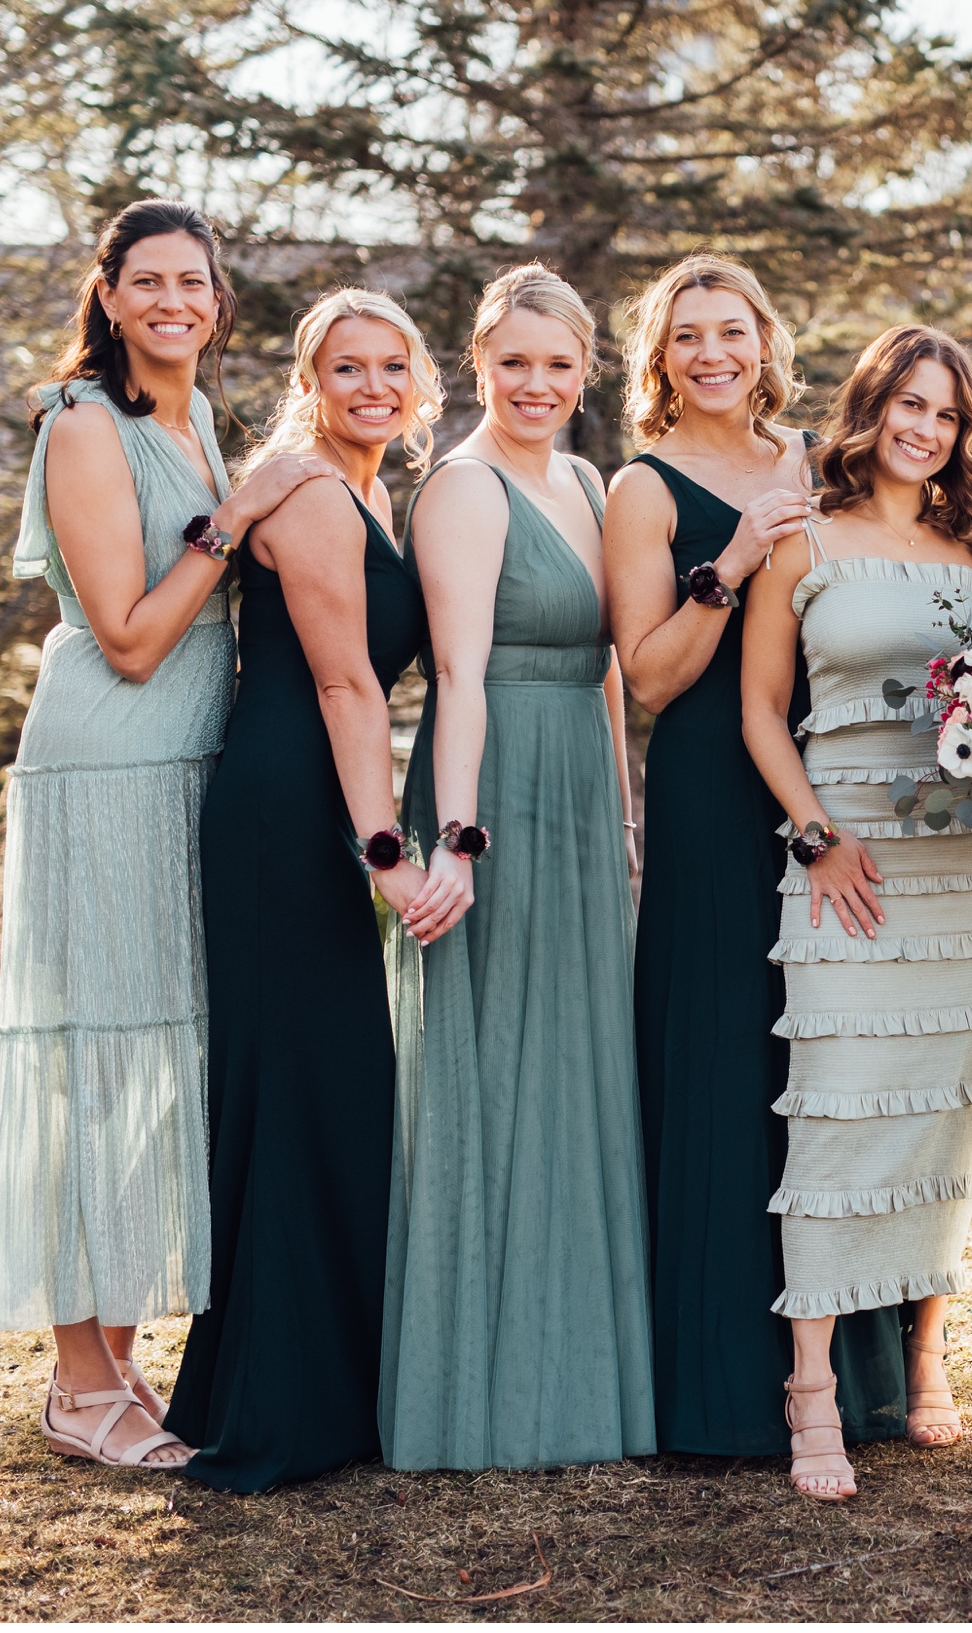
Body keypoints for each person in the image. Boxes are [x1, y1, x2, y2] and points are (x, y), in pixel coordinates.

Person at [0, 199, 341, 1470]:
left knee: (158, 1058)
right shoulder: (83, 423)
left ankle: (116, 1359)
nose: (174, 301)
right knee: (101, 1059)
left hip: (192, 761)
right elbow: (127, 636)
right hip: (108, 759)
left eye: (195, 282)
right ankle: (78, 1386)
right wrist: (235, 522)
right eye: (149, 282)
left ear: (218, 302)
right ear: (111, 296)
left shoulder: (193, 423)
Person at [605, 257, 906, 1458]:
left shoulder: (817, 463)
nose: (712, 353)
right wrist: (728, 568)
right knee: (726, 1049)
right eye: (688, 337)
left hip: (824, 782)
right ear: (661, 359)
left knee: (820, 1053)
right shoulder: (642, 486)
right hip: (708, 790)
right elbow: (650, 677)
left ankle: (850, 1365)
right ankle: (722, 1380)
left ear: (766, 341)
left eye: (731, 331)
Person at [379, 264, 656, 1469]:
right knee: (492, 1062)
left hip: (583, 794)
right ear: (478, 365)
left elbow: (609, 667)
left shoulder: (589, 482)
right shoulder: (464, 486)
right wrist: (456, 838)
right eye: (513, 363)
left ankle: (581, 1369)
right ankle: (479, 1386)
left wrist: (626, 816)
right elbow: (457, 676)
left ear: (585, 372)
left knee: (577, 1061)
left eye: (557, 364)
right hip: (492, 790)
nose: (535, 384)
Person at [161, 287, 432, 1492]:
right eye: (347, 367)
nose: (373, 387)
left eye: (392, 366)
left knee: (329, 1087)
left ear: (419, 384)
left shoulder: (374, 492)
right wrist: (385, 849)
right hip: (285, 807)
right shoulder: (314, 492)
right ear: (310, 381)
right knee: (295, 1087)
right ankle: (277, 1405)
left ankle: (319, 1386)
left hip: (321, 796)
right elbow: (343, 685)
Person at [740, 325, 972, 1501]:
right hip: (840, 857)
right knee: (837, 1117)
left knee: (946, 1113)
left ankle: (926, 1353)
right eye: (908, 403)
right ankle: (811, 1390)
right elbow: (759, 709)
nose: (924, 428)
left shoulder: (971, 547)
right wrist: (816, 835)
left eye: (945, 413)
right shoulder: (801, 533)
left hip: (957, 867)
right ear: (872, 405)